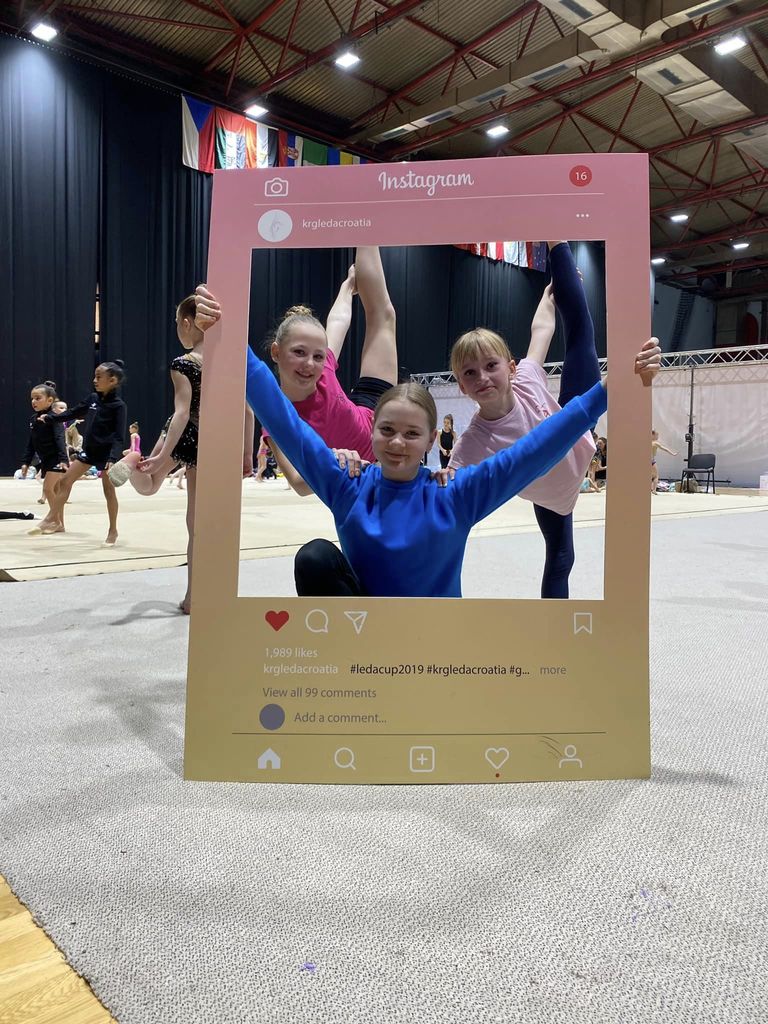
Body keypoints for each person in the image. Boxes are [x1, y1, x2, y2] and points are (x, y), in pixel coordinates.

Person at [195, 285, 661, 598]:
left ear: (431, 440)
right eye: (387, 430)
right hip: (365, 641)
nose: (397, 443)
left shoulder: (454, 493)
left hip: (435, 652)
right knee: (314, 558)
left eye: (411, 433)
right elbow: (282, 417)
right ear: (371, 432)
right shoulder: (346, 484)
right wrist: (223, 334)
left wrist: (611, 387)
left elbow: (534, 449)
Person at [449, 242, 628, 598]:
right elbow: (445, 492)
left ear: (511, 368)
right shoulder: (471, 444)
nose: (482, 377)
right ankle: (553, 624)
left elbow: (541, 331)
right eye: (470, 373)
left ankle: (556, 241)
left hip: (577, 430)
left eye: (491, 366)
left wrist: (550, 295)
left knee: (581, 335)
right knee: (561, 559)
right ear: (462, 387)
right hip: (551, 496)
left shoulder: (527, 378)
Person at [106, 296, 253, 614]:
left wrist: (162, 457)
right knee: (200, 522)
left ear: (187, 323)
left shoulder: (184, 363)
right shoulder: (231, 362)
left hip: (186, 433)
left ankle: (133, 458)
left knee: (150, 487)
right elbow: (247, 410)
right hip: (214, 441)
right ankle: (193, 595)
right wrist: (247, 454)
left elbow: (182, 413)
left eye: (177, 324)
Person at [262, 248, 397, 495]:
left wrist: (348, 286)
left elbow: (338, 321)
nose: (310, 364)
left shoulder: (322, 367)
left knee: (382, 315)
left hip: (371, 413)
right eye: (299, 352)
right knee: (384, 317)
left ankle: (368, 227)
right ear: (276, 352)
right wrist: (337, 461)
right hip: (372, 453)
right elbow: (299, 483)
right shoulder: (276, 414)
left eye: (318, 356)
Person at [34, 361, 127, 544]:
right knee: (64, 481)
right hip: (89, 451)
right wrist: (52, 418)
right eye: (94, 376)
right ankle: (52, 517)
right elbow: (73, 412)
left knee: (109, 491)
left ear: (112, 380)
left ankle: (113, 530)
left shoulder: (118, 406)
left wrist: (113, 457)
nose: (94, 380)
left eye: (99, 377)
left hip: (106, 454)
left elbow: (119, 436)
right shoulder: (93, 399)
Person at [18, 381, 68, 525]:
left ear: (50, 400)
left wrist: (63, 459)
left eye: (38, 398)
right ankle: (60, 524)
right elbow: (31, 442)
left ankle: (55, 521)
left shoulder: (54, 418)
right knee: (56, 492)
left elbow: (59, 439)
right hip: (46, 460)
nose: (34, 401)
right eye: (32, 398)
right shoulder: (34, 419)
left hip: (56, 459)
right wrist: (26, 462)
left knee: (47, 488)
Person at [651, 429, 677, 493]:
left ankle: (651, 488)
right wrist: (673, 453)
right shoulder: (655, 443)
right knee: (656, 476)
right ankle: (654, 490)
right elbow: (665, 449)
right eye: (657, 435)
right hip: (651, 460)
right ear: (652, 435)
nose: (657, 437)